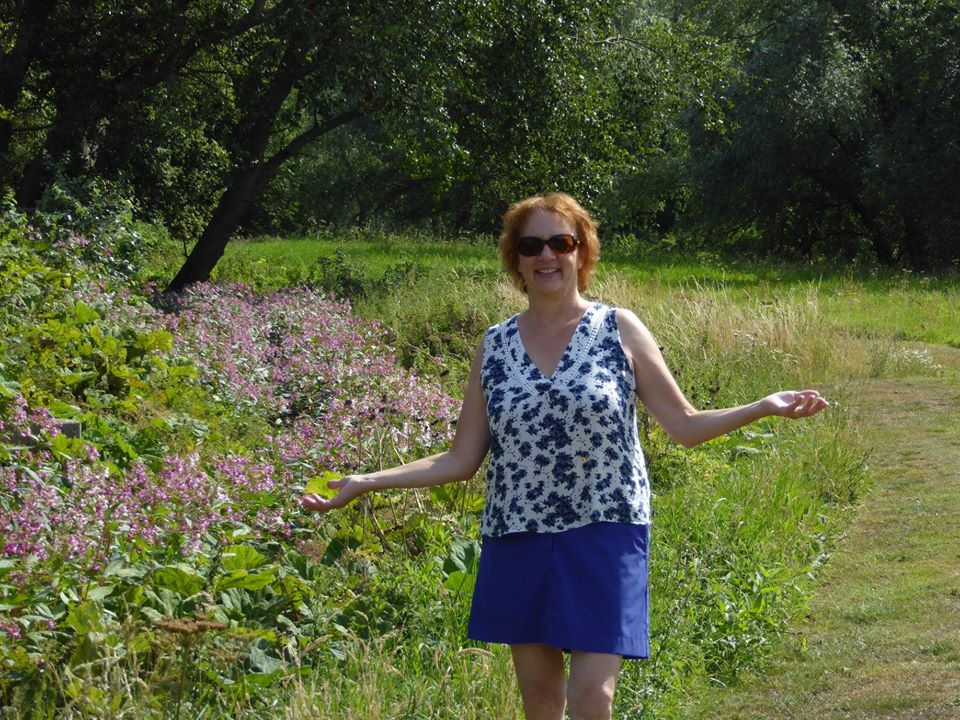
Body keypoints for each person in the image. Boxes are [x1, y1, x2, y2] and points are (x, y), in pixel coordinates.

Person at [301, 192, 828, 720]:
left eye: (561, 241)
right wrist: (367, 480)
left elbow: (685, 425)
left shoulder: (619, 328)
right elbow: (460, 459)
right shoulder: (494, 346)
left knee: (592, 697)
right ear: (516, 259)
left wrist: (762, 406)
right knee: (541, 701)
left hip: (606, 529)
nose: (546, 255)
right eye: (531, 245)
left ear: (582, 252)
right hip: (518, 533)